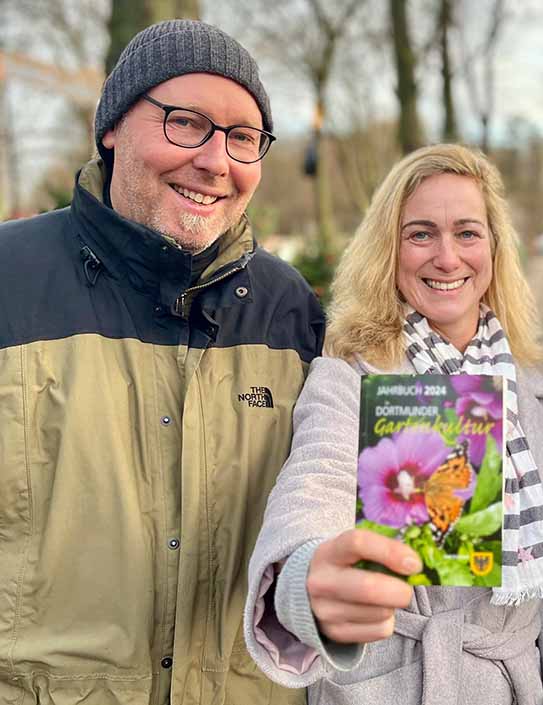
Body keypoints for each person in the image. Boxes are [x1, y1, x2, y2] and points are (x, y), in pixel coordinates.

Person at [0, 20, 323, 705]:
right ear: (112, 127)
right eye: (186, 122)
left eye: (242, 137)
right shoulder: (9, 280)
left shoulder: (289, 311)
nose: (215, 160)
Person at [242, 144, 543, 705]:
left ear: (493, 246)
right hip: (386, 684)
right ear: (389, 248)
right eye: (420, 234)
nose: (447, 256)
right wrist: (304, 577)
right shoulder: (350, 377)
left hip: (514, 684)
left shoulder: (531, 387)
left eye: (466, 232)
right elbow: (315, 483)